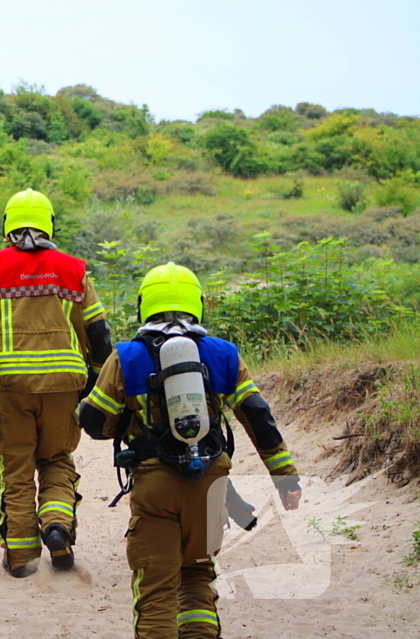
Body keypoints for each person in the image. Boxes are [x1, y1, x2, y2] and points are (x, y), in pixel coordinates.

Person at [77, 262, 302, 638]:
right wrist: (285, 478)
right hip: (210, 486)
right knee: (197, 576)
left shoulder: (126, 357)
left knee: (156, 592)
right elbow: (258, 417)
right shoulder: (224, 354)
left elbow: (95, 423)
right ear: (197, 304)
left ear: (143, 305)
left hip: (155, 487)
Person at [0, 188, 112, 577]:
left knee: (17, 467)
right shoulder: (74, 269)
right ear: (49, 225)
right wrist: (98, 382)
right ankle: (57, 527)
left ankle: (22, 558)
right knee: (57, 458)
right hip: (64, 384)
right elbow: (99, 333)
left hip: (10, 385)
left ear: (8, 227)